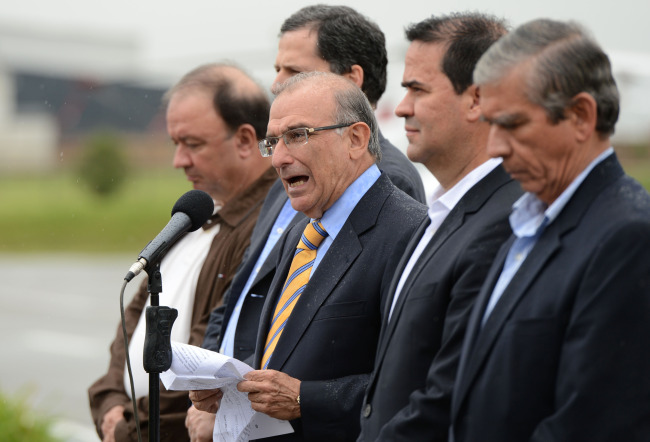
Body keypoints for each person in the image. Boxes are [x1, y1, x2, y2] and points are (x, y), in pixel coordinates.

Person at [188, 5, 426, 439]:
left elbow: (413, 387)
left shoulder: (408, 232)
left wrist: (305, 400)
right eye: (273, 142)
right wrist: (231, 388)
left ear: (355, 138)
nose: (278, 159)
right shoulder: (305, 224)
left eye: (297, 136)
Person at [449, 19, 650, 441]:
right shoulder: (531, 219)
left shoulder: (627, 238)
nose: (495, 148)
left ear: (580, 116)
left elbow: (593, 424)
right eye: (491, 126)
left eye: (513, 125)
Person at [88, 63, 278, 442]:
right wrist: (108, 400)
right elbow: (135, 317)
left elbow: (207, 369)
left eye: (193, 144)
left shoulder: (265, 228)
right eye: (175, 143)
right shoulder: (195, 213)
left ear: (244, 140)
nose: (179, 160)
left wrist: (127, 429)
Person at [356, 13, 521, 441]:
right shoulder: (443, 210)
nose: (402, 106)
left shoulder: (506, 223)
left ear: (477, 100)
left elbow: (447, 392)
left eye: (417, 89)